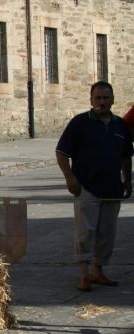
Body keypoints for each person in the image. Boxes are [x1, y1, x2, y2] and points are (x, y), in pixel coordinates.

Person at [56, 81, 132, 291]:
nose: (102, 102)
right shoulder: (80, 123)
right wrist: (70, 178)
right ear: (91, 100)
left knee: (107, 232)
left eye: (106, 98)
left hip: (112, 187)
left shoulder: (120, 125)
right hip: (86, 187)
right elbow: (61, 152)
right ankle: (83, 275)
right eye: (98, 98)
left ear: (113, 100)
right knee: (85, 233)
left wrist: (128, 180)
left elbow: (126, 156)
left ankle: (98, 271)